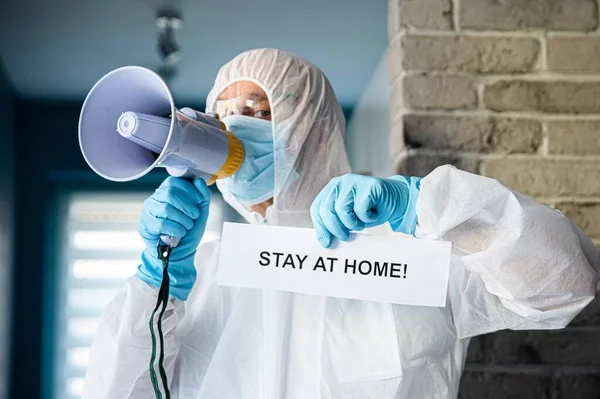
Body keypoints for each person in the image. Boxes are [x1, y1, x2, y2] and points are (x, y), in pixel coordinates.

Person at [83, 48, 599, 399]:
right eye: (221, 112)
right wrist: (158, 283)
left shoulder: (411, 252)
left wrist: (422, 204)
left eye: (255, 108)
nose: (230, 124)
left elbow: (563, 285)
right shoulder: (204, 277)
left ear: (310, 126)